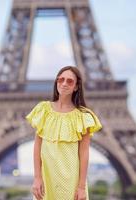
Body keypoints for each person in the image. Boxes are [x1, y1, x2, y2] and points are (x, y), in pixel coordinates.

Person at [26, 66, 103, 200]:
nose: (64, 83)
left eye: (69, 81)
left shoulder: (83, 116)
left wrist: (81, 187)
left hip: (70, 178)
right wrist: (37, 178)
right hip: (47, 175)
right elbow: (37, 147)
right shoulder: (43, 110)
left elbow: (84, 153)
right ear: (56, 83)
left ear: (76, 87)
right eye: (60, 80)